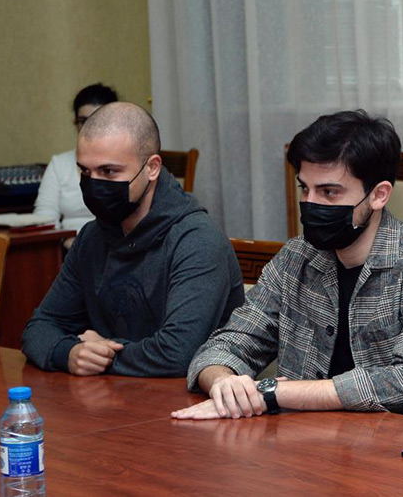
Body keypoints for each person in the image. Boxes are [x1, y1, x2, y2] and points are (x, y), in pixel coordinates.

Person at [172, 109, 403, 426]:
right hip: (310, 440)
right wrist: (223, 382)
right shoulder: (295, 258)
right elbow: (225, 345)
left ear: (378, 195)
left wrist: (273, 393)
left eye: (329, 192)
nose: (311, 203)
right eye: (305, 189)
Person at [22, 102, 245, 377]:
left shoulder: (198, 240)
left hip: (187, 399)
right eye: (85, 172)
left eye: (109, 172)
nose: (93, 184)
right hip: (108, 395)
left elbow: (179, 354)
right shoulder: (92, 237)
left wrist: (103, 355)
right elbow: (39, 327)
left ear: (152, 168)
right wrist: (68, 353)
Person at [34, 83, 118, 246]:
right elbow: (44, 217)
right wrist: (68, 242)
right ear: (75, 124)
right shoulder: (59, 164)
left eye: (98, 121)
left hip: (116, 248)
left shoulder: (125, 164)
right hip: (69, 247)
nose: (90, 128)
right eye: (83, 121)